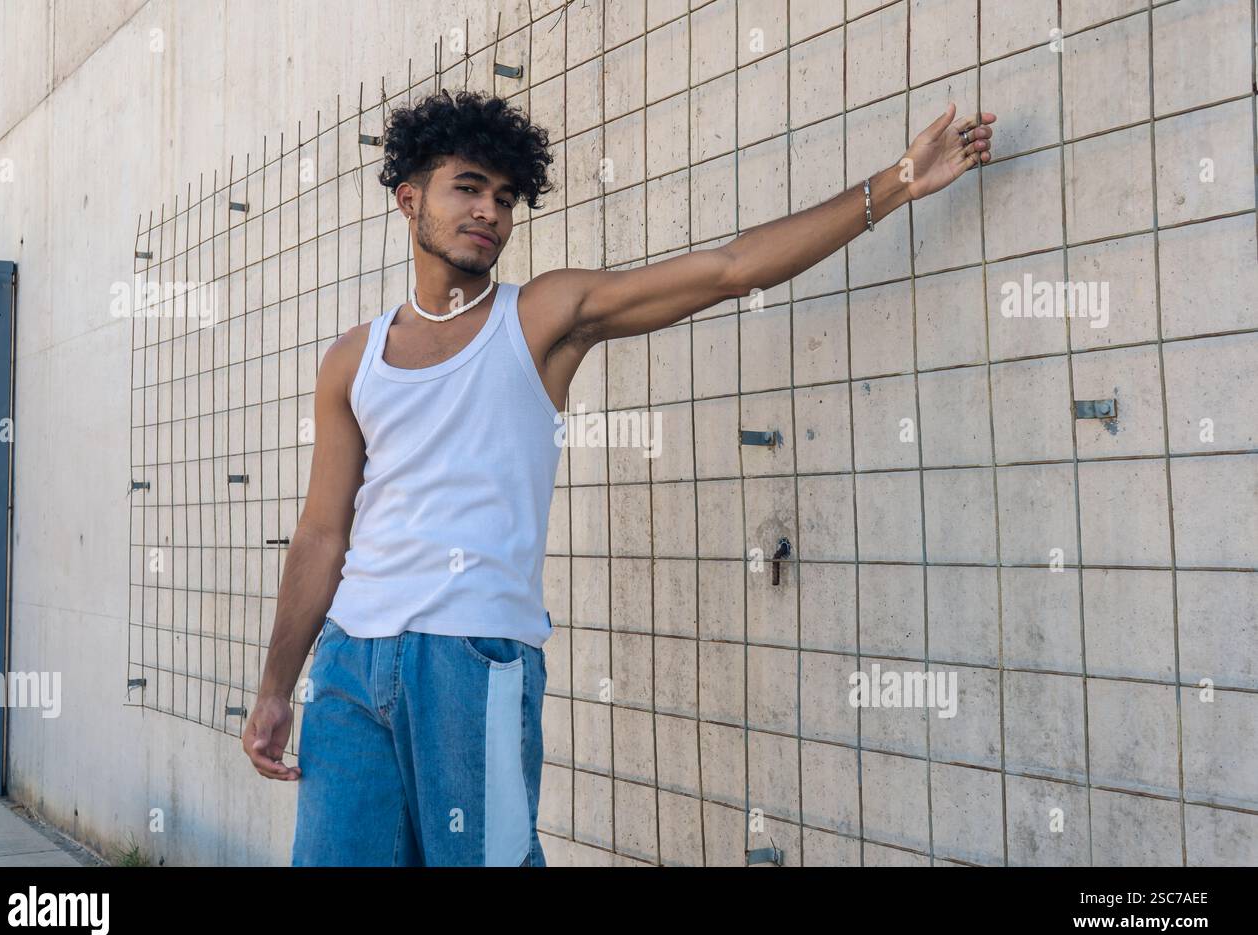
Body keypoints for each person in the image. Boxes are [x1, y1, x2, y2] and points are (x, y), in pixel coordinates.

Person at [242, 87, 996, 866]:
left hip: (469, 658)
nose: (489, 212)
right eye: (467, 187)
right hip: (348, 665)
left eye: (504, 198)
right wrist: (275, 689)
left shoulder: (540, 317)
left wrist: (898, 182)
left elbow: (730, 269)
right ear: (409, 199)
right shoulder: (351, 359)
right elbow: (323, 532)